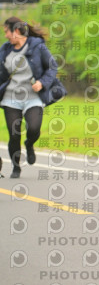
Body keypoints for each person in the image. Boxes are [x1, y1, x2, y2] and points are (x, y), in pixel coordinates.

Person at [0, 17, 60, 178]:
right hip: (10, 97)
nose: (5, 35)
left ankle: (29, 144)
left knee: (33, 128)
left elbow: (52, 67)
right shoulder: (5, 49)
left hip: (33, 97)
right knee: (14, 135)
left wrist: (42, 82)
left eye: (6, 31)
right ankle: (16, 167)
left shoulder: (37, 46)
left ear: (16, 31)